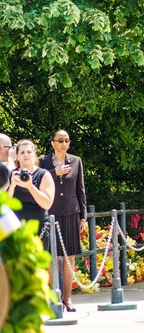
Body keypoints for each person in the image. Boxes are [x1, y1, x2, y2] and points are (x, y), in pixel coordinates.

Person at [38, 130, 87, 312]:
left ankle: (67, 299)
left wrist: (83, 217)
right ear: (52, 143)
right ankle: (54, 297)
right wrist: (54, 172)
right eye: (60, 140)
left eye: (67, 140)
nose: (64, 144)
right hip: (50, 212)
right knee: (51, 256)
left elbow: (80, 190)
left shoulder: (76, 161)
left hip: (71, 213)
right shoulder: (43, 161)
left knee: (69, 256)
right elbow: (36, 181)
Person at [8, 140, 55, 239]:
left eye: (29, 152)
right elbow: (5, 205)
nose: (26, 155)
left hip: (39, 229)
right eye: (22, 152)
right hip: (15, 229)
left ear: (34, 154)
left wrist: (30, 186)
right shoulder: (11, 175)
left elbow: (47, 204)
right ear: (17, 156)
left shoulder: (44, 174)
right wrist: (12, 186)